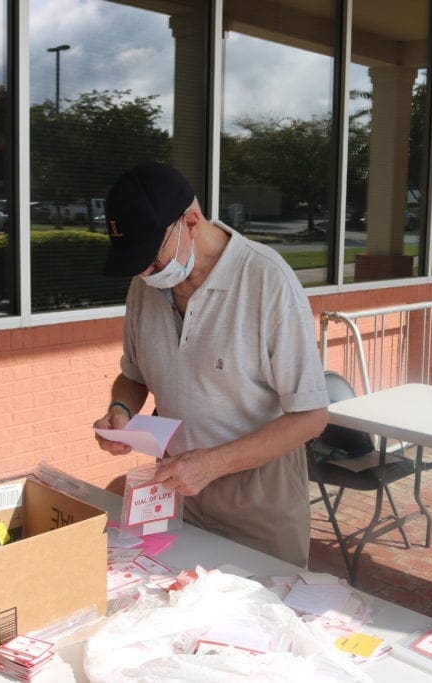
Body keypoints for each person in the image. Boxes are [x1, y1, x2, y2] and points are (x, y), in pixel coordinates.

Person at [92, 162, 328, 567]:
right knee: (177, 600)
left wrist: (213, 464)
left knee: (260, 612)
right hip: (175, 483)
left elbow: (311, 416)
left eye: (153, 259)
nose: (146, 274)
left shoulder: (267, 281)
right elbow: (133, 375)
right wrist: (121, 410)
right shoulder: (145, 285)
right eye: (138, 265)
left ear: (191, 221)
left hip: (258, 493)